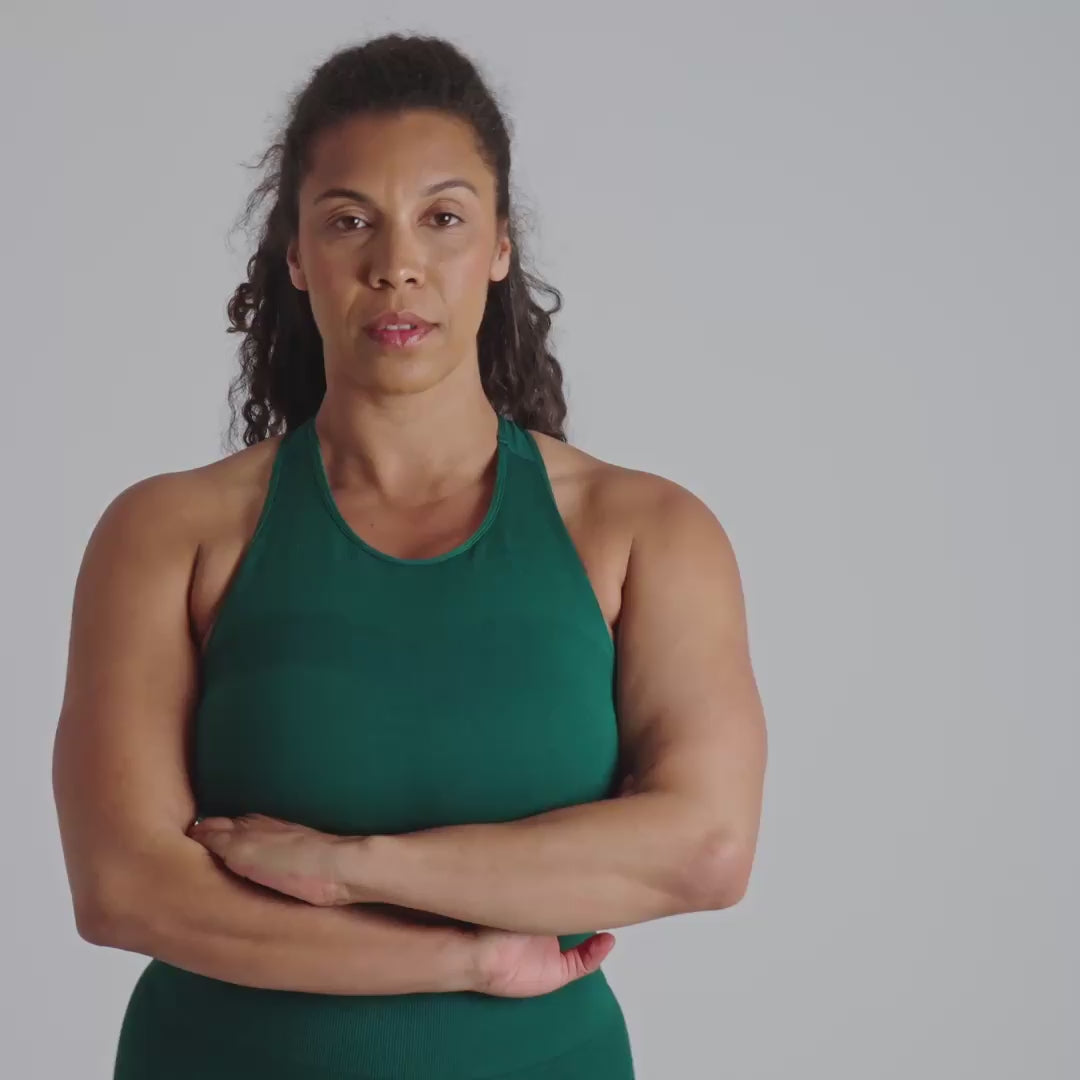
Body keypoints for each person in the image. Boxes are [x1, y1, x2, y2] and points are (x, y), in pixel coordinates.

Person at [51, 32, 768, 1080]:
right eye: (350, 221)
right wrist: (467, 958)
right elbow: (123, 888)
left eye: (443, 217)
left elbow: (704, 851)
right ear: (295, 254)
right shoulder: (167, 534)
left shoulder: (644, 532)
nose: (397, 264)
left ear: (499, 246)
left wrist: (352, 870)